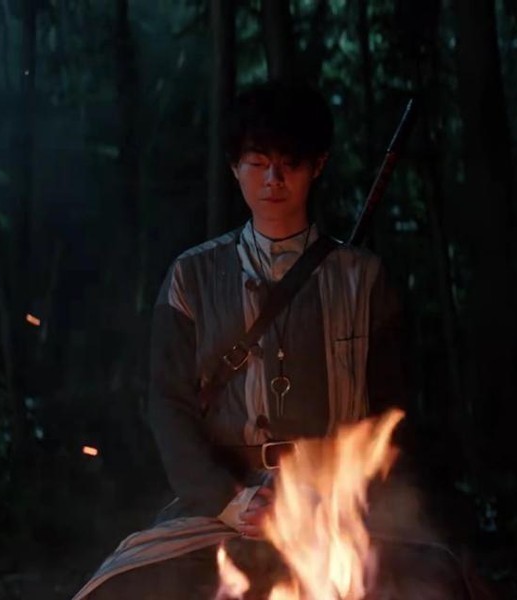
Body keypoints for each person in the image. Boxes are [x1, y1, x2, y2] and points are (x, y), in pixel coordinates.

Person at [72, 80, 408, 599]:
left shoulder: (362, 278)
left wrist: (339, 492)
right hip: (219, 509)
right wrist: (230, 501)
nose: (273, 179)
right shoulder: (192, 278)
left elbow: (392, 413)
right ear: (235, 167)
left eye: (289, 163)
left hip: (336, 501)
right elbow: (169, 407)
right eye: (258, 163)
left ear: (317, 165)